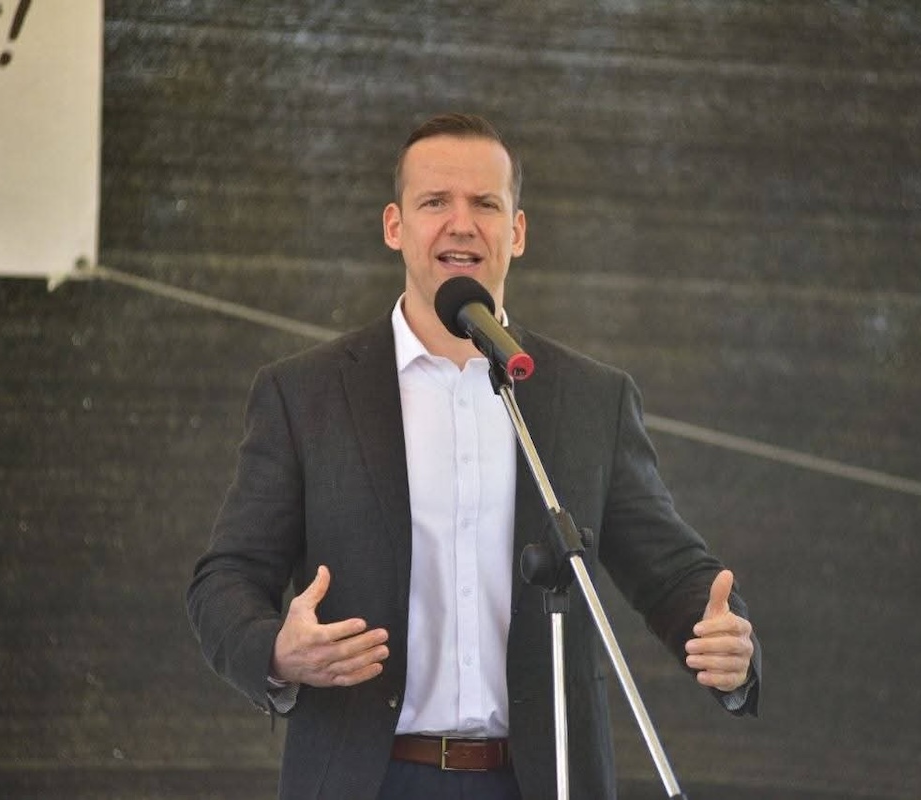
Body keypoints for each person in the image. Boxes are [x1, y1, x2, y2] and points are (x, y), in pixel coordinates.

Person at [187, 113, 760, 800]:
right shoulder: (306, 394)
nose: (461, 225)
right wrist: (277, 652)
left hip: (538, 780)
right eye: (436, 202)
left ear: (516, 232)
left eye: (485, 204)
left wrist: (724, 638)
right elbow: (225, 579)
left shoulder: (588, 398)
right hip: (366, 777)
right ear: (395, 226)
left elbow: (671, 574)